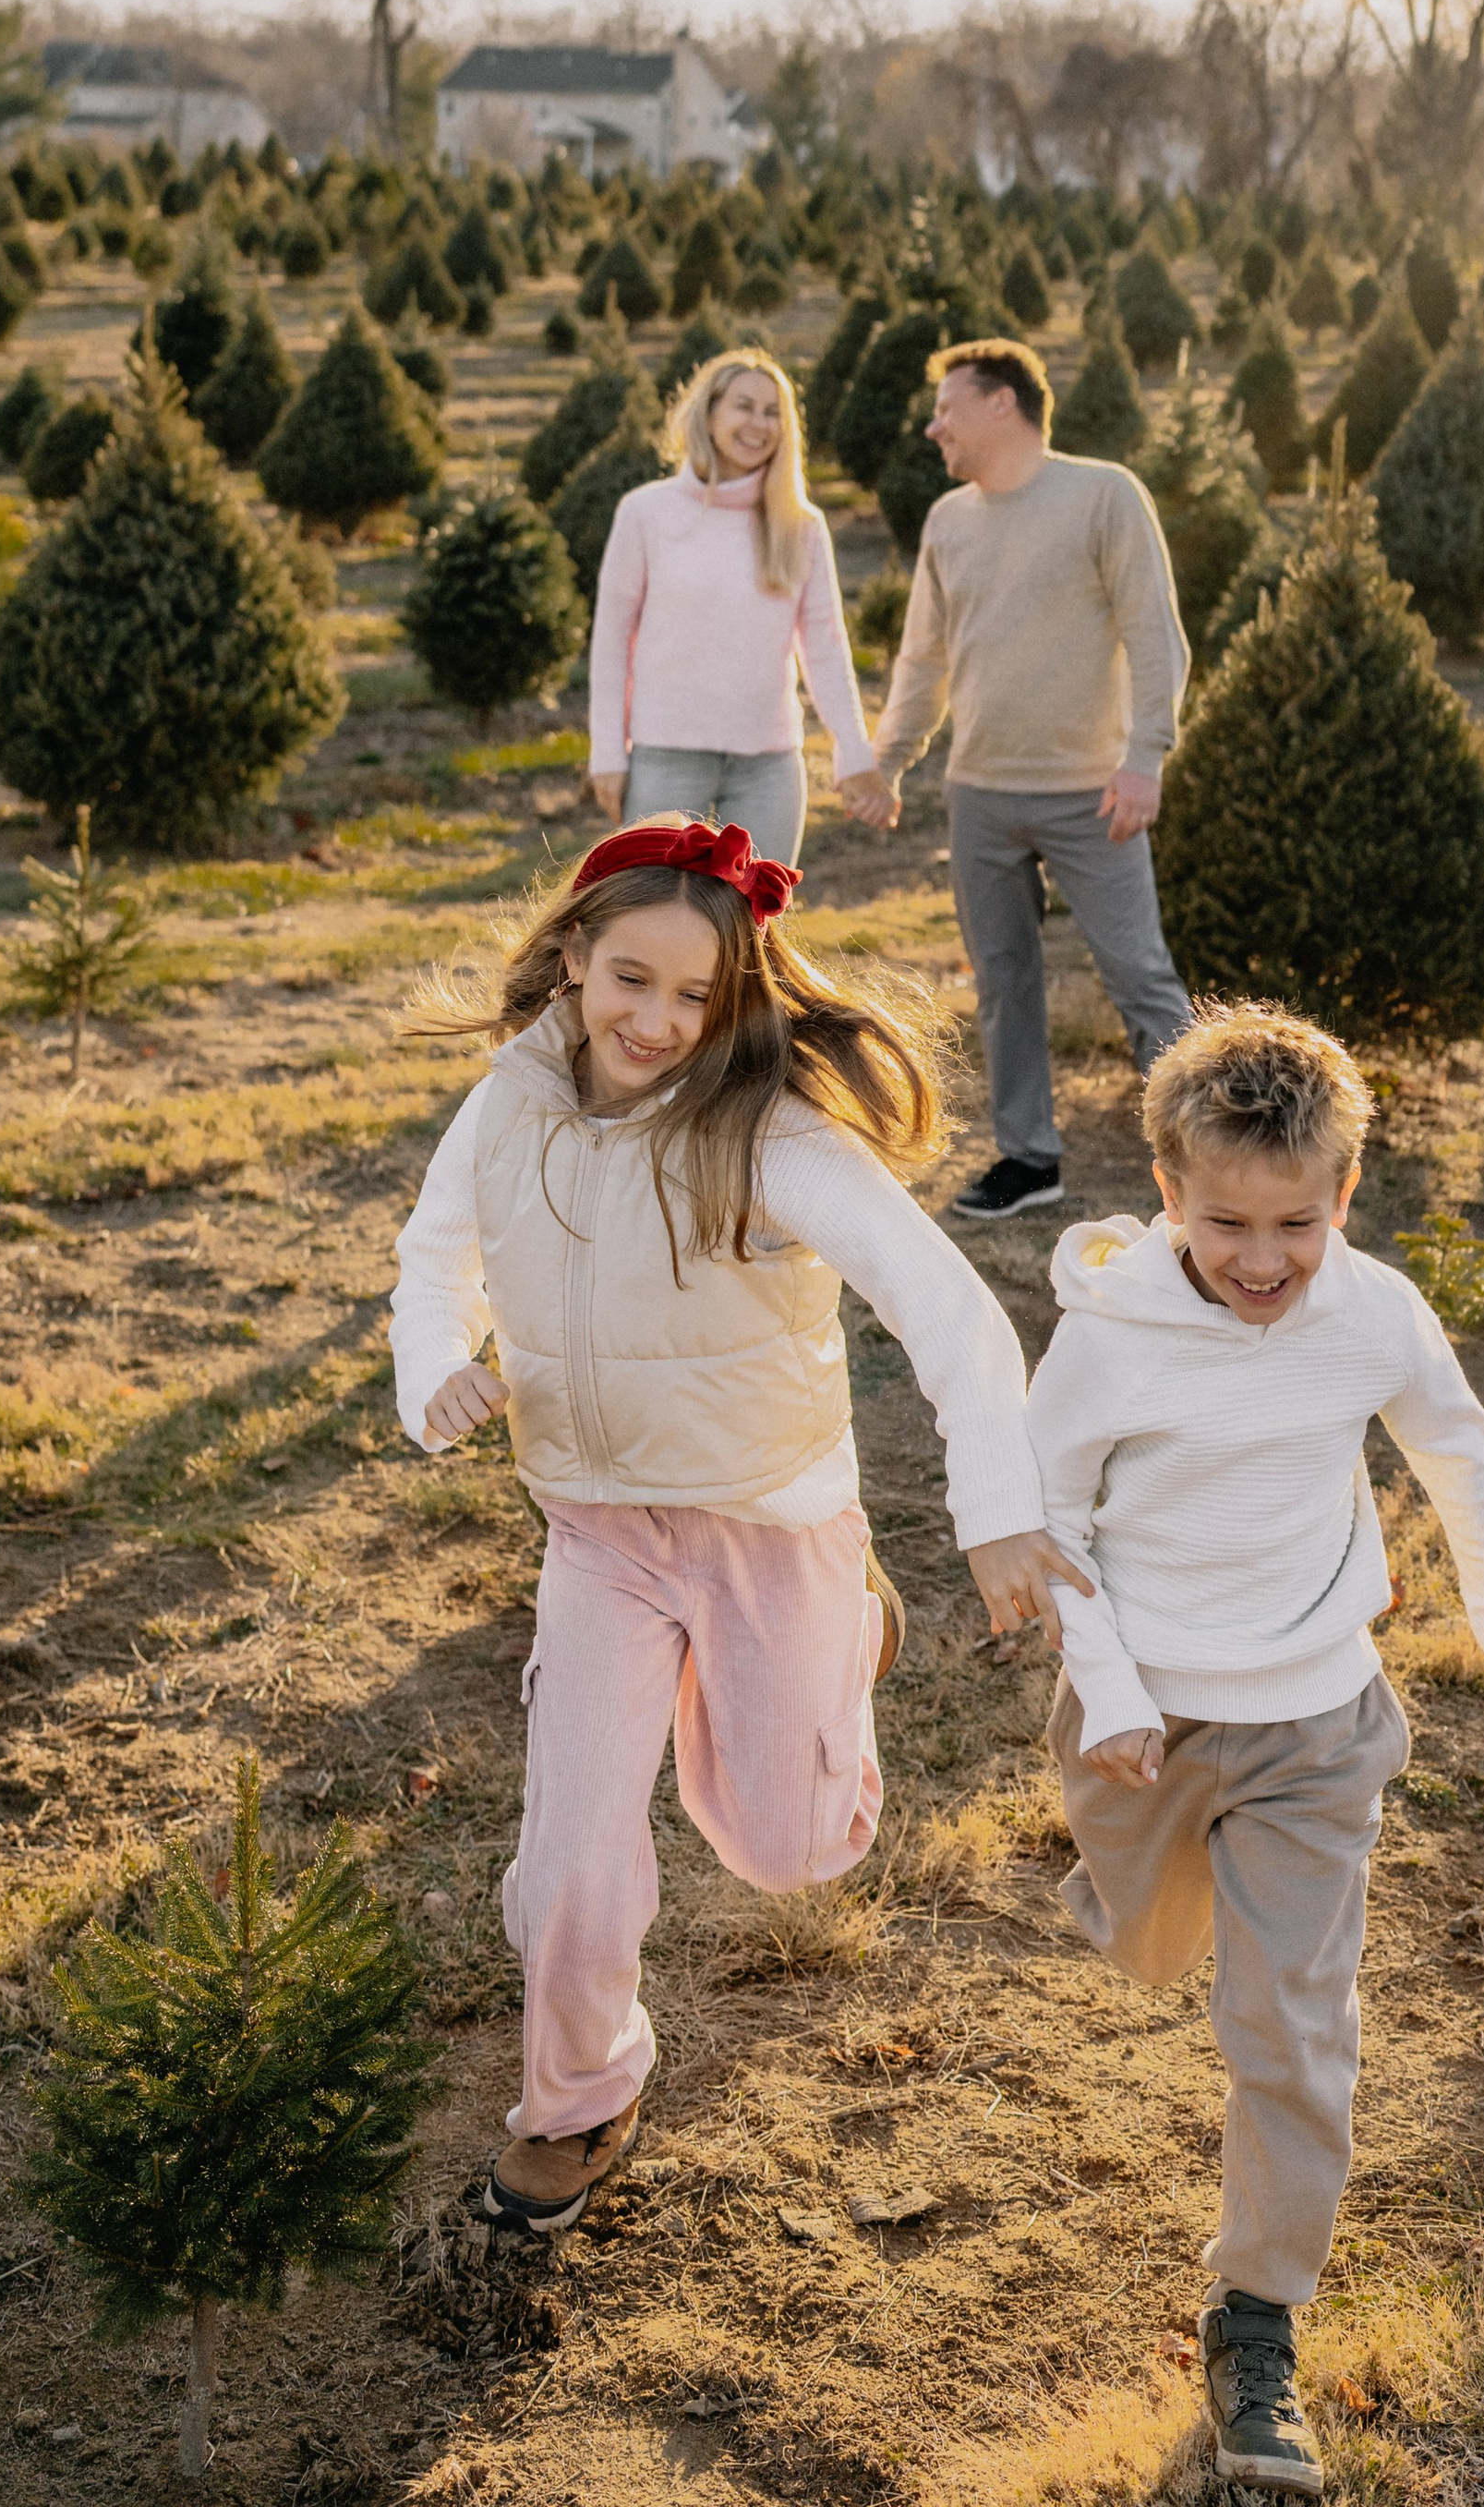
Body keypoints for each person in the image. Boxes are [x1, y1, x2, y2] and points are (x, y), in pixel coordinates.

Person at [389, 815, 1089, 2240]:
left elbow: (950, 1311)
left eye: (694, 996)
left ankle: (854, 1620)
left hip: (769, 1523)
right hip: (595, 1529)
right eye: (628, 979)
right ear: (573, 957)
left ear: (735, 1000)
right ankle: (577, 2098)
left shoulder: (766, 1138)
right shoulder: (509, 1099)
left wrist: (998, 1513)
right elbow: (434, 1250)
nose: (655, 1019)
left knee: (790, 1848)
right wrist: (434, 1370)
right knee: (568, 1868)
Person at [1026, 1003, 1484, 2495]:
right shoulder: (1112, 1337)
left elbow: (1456, 1448)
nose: (1260, 1260)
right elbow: (1050, 1514)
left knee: (1290, 2025)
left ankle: (1256, 2312)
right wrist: (1116, 1689)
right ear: (1167, 1194)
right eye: (1224, 1225)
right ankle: (1134, 1889)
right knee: (1149, 1946)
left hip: (1319, 1722)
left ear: (1344, 1195)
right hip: (1144, 1721)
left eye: (1294, 1224)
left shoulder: (1376, 1313)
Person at [850, 337, 1193, 1222]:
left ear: (1002, 404)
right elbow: (922, 658)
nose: (933, 428)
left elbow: (1155, 632)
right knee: (1003, 981)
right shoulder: (948, 523)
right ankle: (1028, 1156)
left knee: (1140, 975)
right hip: (981, 795)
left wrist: (1145, 754)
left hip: (1094, 794)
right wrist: (890, 762)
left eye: (947, 408)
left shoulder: (1103, 495)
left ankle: (1207, 1155)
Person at [586, 348, 878, 868]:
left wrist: (854, 749)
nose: (759, 424)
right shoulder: (646, 512)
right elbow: (611, 640)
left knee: (756, 930)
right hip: (665, 756)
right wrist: (608, 751)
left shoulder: (800, 524)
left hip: (768, 768)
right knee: (654, 916)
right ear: (710, 411)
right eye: (745, 406)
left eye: (774, 413)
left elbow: (827, 648)